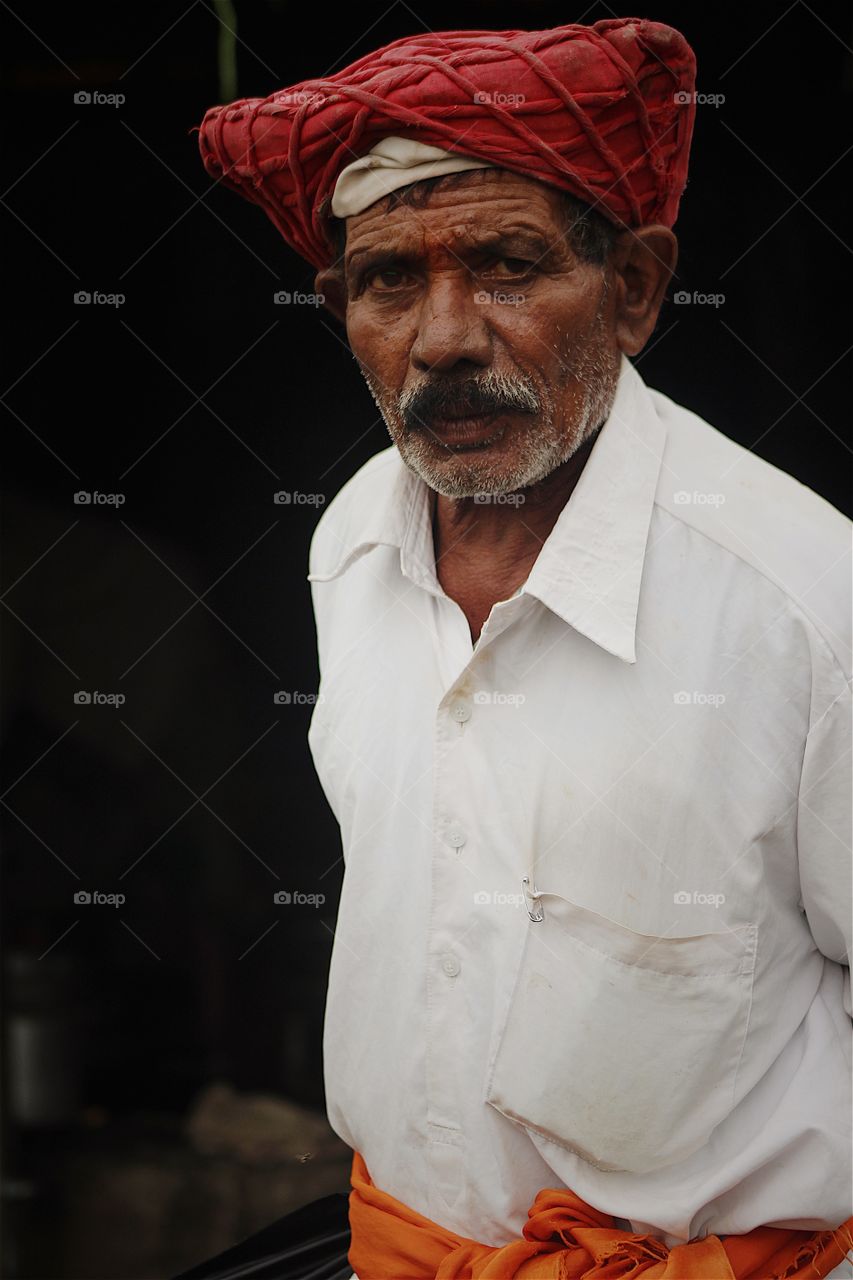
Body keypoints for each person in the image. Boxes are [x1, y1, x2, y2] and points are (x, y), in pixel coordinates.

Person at [194, 16, 853, 1279]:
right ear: (340, 306)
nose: (444, 338)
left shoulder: (799, 598)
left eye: (505, 264)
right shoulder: (351, 544)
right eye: (391, 280)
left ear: (639, 289)